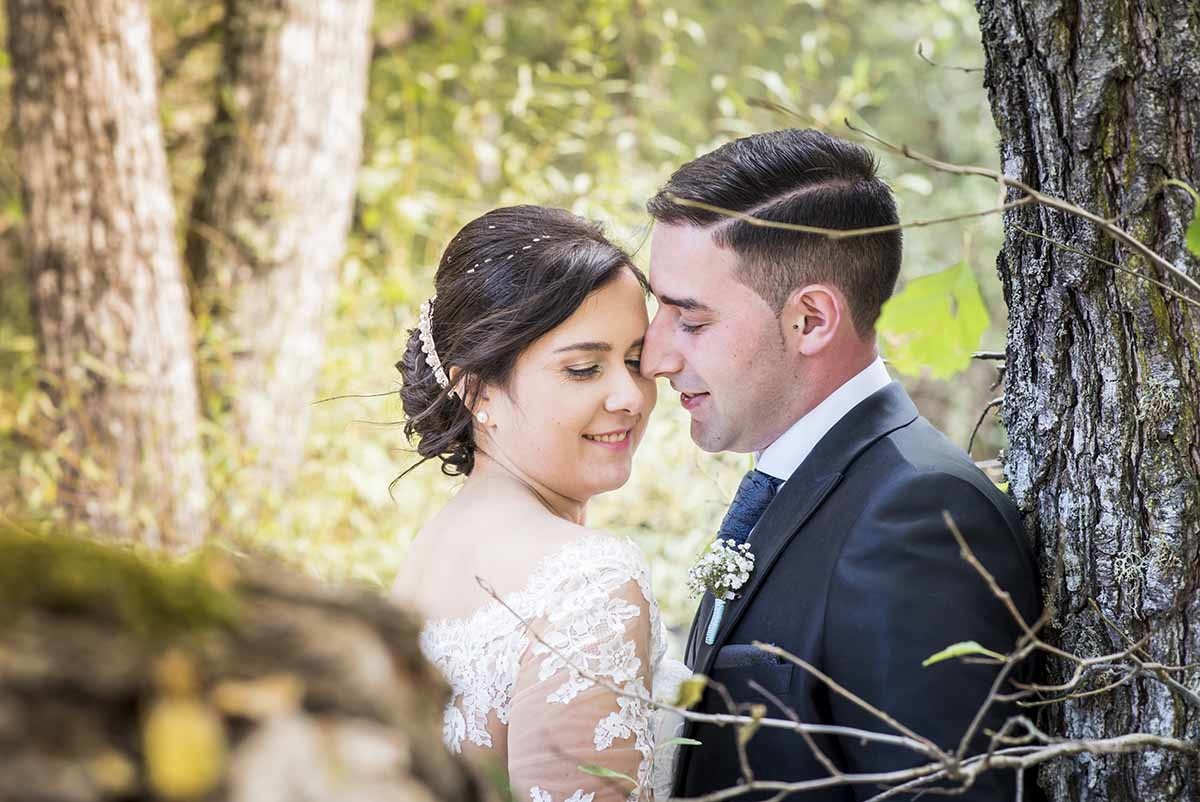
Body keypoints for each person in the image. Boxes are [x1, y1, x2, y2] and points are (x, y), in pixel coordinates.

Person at [640, 129, 1040, 799]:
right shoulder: (808, 477)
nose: (654, 357)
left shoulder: (918, 520)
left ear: (812, 320)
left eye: (689, 319)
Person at [392, 205, 688, 802]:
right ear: (476, 390)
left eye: (635, 360)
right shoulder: (589, 578)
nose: (629, 395)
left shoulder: (433, 548)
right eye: (583, 368)